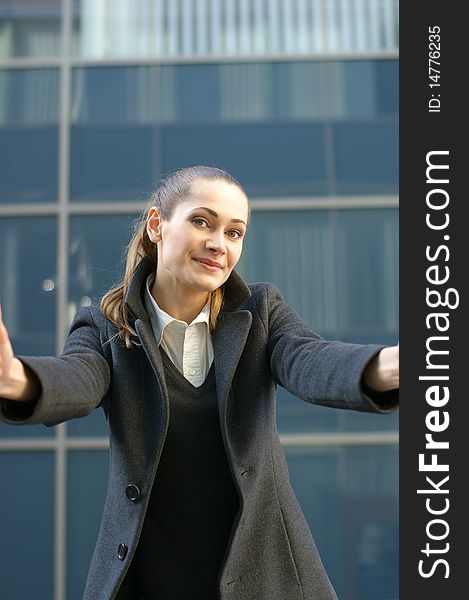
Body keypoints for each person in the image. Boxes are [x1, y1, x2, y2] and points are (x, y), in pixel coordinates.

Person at [0, 165, 399, 600]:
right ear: (157, 225)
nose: (218, 243)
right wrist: (16, 379)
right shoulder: (105, 328)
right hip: (150, 581)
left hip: (266, 581)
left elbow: (311, 360)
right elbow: (78, 379)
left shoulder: (261, 312)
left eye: (234, 232)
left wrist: (387, 366)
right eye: (201, 222)